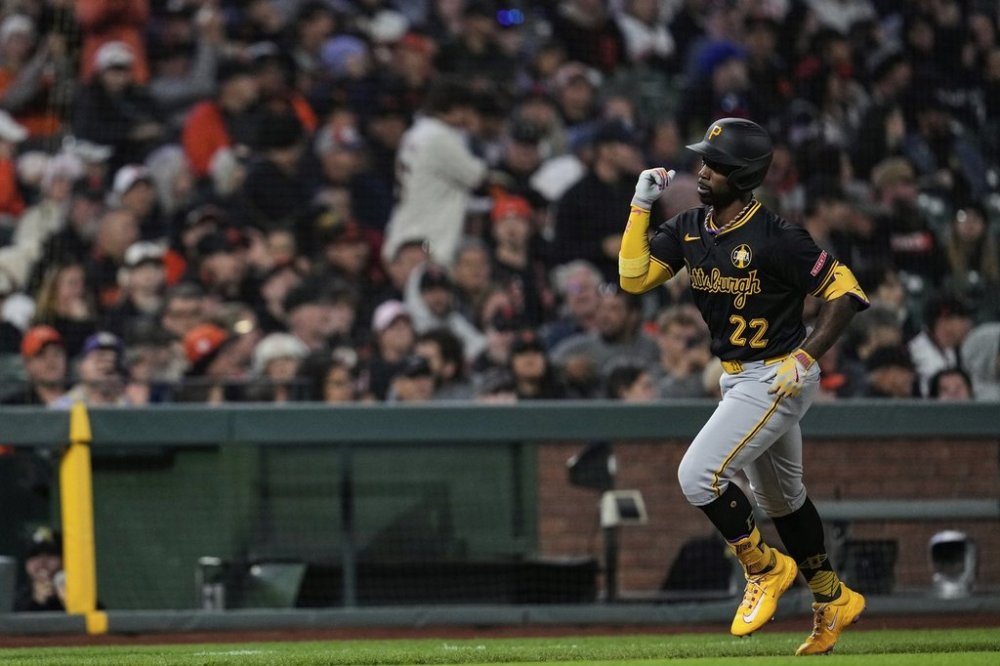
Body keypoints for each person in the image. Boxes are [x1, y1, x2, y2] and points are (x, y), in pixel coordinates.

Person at [618, 118, 870, 655]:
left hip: (779, 372)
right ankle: (832, 596)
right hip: (739, 378)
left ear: (744, 174)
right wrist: (640, 208)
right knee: (783, 500)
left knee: (697, 476)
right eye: (704, 161)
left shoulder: (778, 236)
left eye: (715, 165)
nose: (702, 171)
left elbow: (845, 292)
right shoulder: (688, 225)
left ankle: (764, 567)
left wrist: (806, 356)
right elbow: (635, 277)